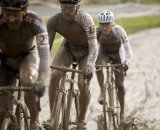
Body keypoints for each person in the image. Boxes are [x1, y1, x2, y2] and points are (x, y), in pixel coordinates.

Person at [47, 0, 98, 129]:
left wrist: (90, 65)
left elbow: (94, 47)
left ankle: (81, 120)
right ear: (60, 7)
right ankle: (53, 116)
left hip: (86, 52)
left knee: (83, 83)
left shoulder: (85, 19)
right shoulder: (54, 21)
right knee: (54, 75)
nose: (67, 11)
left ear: (78, 7)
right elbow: (46, 49)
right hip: (68, 48)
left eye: (70, 8)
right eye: (64, 8)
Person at [0, 0, 50, 129]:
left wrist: (42, 81)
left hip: (27, 56)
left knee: (28, 80)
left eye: (15, 15)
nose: (10, 19)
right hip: (4, 58)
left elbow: (44, 56)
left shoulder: (35, 21)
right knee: (2, 111)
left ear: (24, 12)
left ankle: (34, 121)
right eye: (7, 14)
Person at [96, 10, 132, 122]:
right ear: (99, 24)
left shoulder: (119, 31)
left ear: (112, 23)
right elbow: (92, 48)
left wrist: (126, 61)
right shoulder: (97, 32)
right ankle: (102, 90)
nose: (105, 27)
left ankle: (122, 112)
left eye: (107, 24)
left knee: (120, 85)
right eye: (102, 24)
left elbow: (127, 47)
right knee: (97, 64)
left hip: (118, 54)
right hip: (104, 52)